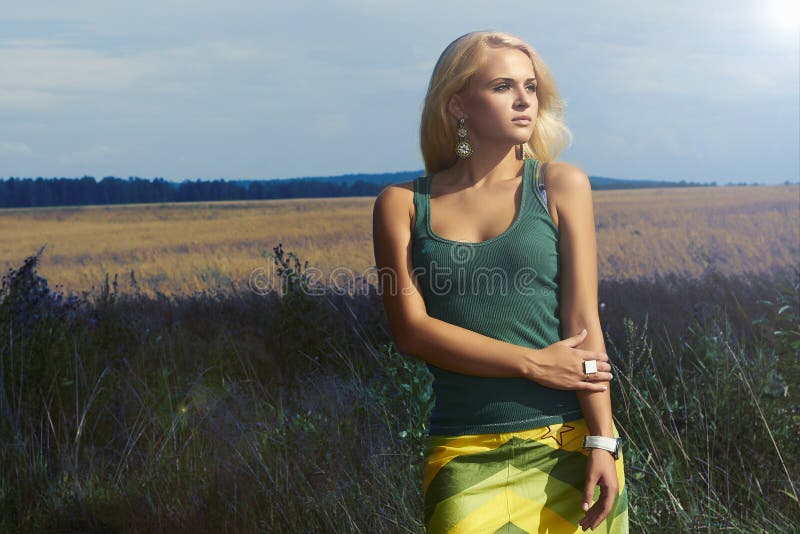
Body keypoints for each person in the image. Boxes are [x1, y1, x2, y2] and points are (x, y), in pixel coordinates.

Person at [372, 30, 628, 533]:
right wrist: (532, 363)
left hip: (569, 445)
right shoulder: (400, 205)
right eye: (503, 86)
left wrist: (603, 439)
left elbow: (583, 325)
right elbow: (411, 330)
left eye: (531, 87)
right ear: (457, 104)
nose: (523, 101)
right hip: (463, 452)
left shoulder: (561, 185)